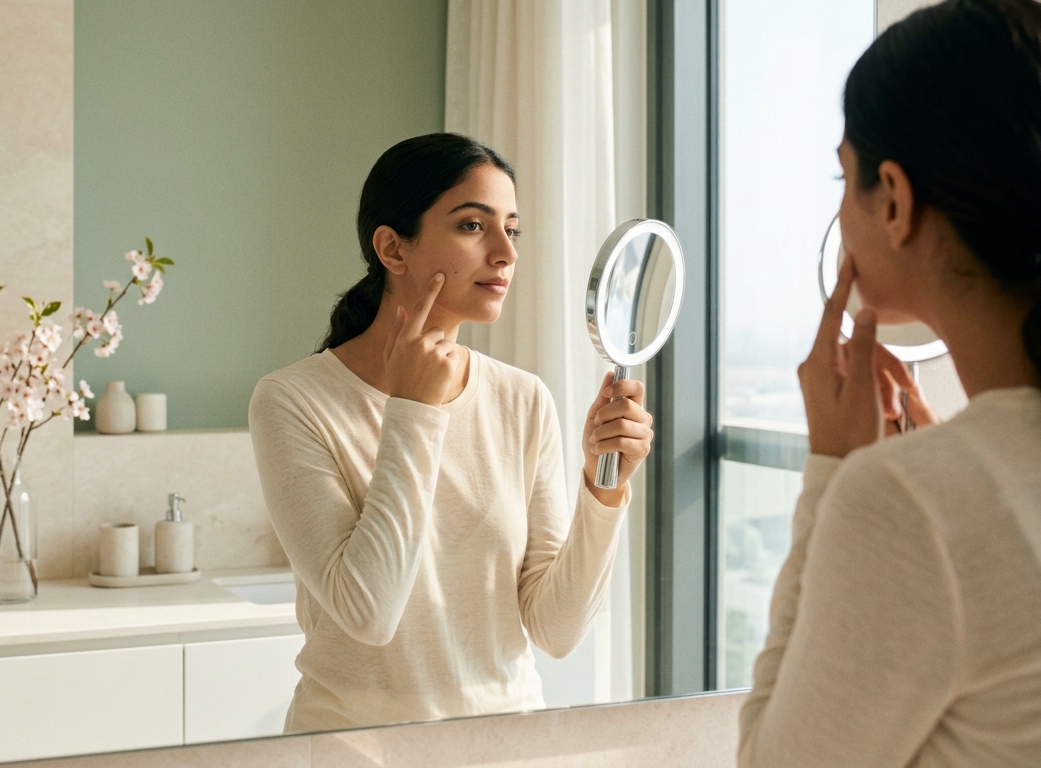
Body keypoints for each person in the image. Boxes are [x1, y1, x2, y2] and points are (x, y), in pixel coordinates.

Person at [248, 133, 653, 733]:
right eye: (472, 226)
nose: (505, 253)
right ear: (392, 248)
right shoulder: (293, 401)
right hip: (354, 749)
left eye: (511, 230)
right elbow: (368, 612)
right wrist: (415, 409)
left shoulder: (522, 399)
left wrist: (604, 489)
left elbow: (556, 630)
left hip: (501, 744)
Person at [738, 1, 1041, 765]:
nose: (841, 208)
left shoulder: (906, 500)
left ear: (896, 200)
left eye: (844, 176)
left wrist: (836, 472)